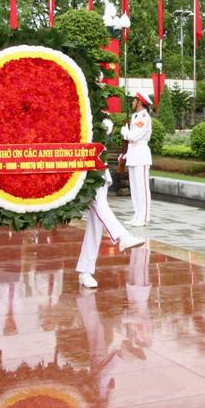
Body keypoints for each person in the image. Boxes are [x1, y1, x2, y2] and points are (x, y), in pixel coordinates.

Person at [76, 116, 145, 288]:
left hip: (98, 167)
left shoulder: (101, 113)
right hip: (80, 165)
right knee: (98, 205)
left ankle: (85, 270)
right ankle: (122, 236)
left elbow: (106, 126)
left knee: (96, 221)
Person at [122, 93, 153, 227]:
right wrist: (125, 154)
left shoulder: (144, 117)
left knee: (142, 188)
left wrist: (125, 132)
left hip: (141, 155)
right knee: (134, 188)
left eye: (134, 100)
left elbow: (134, 136)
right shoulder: (135, 116)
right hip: (133, 155)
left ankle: (144, 217)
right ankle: (137, 215)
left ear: (140, 102)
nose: (132, 102)